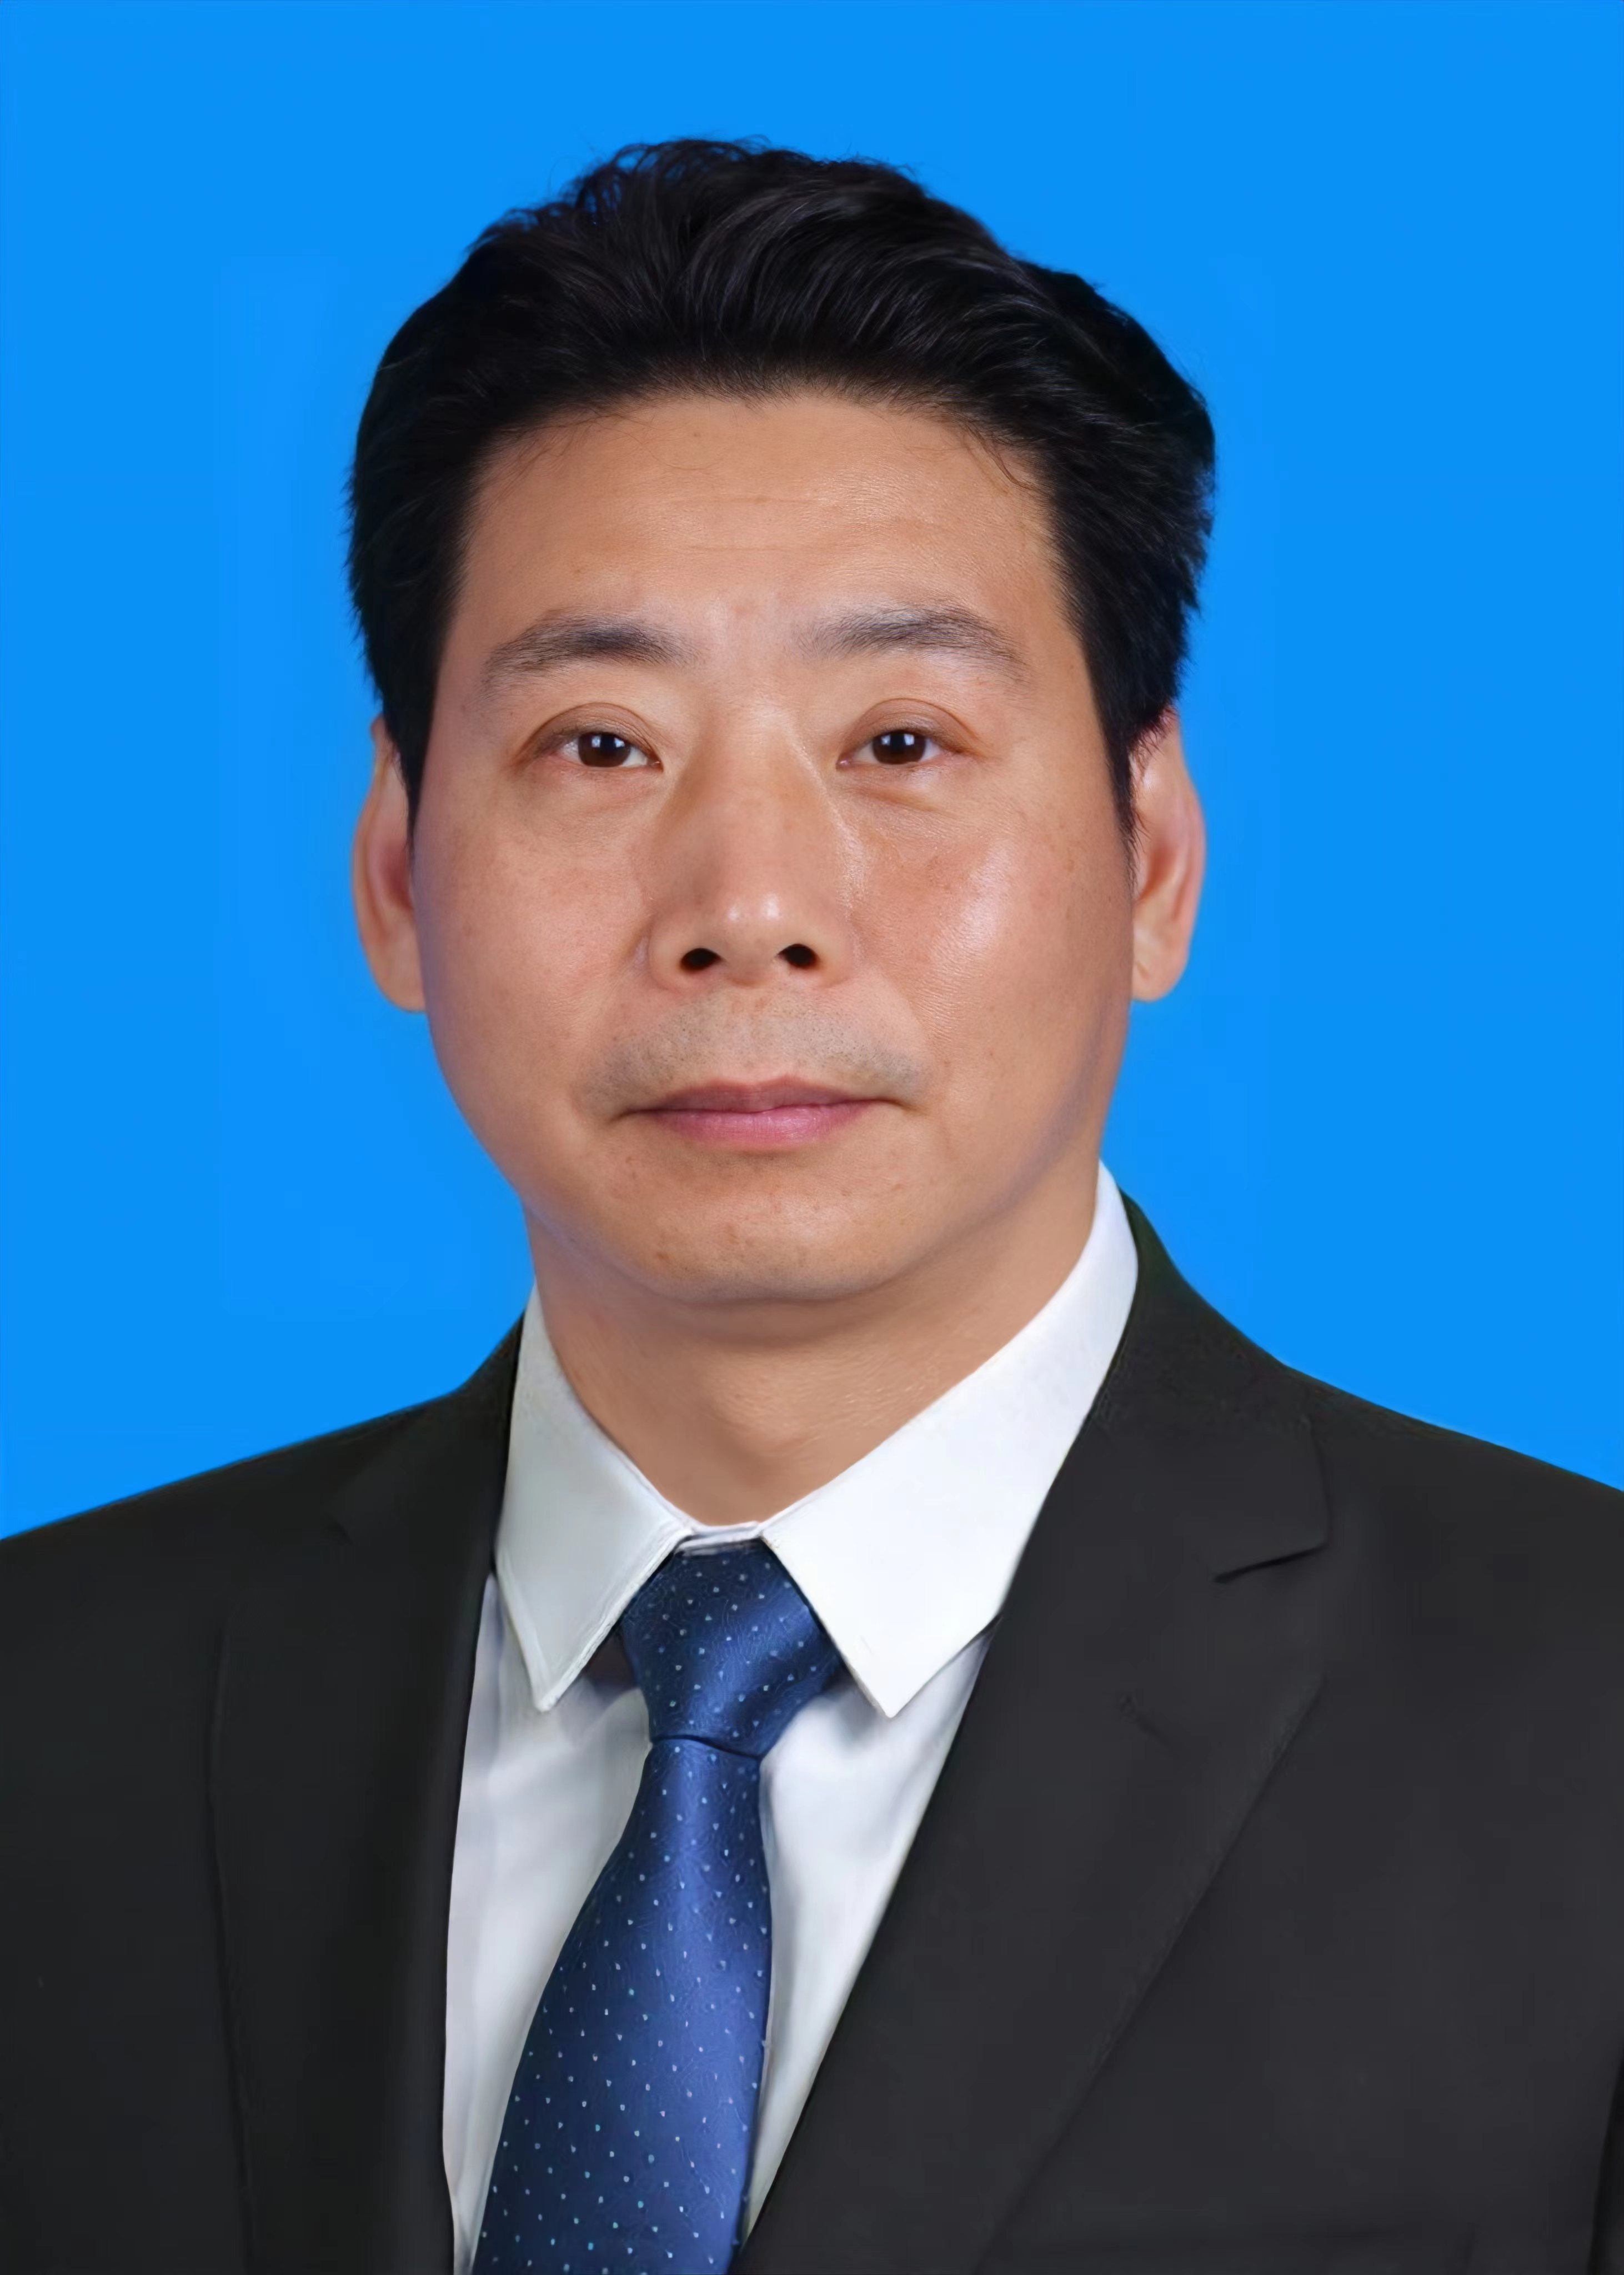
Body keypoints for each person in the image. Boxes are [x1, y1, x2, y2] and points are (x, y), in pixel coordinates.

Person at [1, 138, 1620, 2275]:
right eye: (600, 746)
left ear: (1150, 858)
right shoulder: (51, 1715)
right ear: (395, 869)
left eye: (899, 742)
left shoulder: (1581, 1723)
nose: (749, 907)